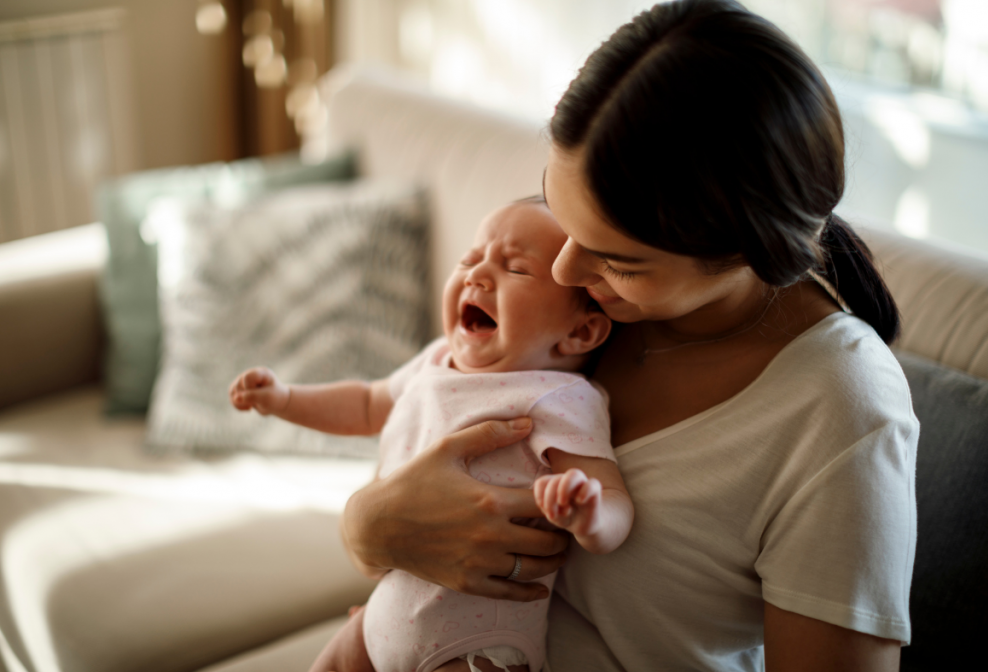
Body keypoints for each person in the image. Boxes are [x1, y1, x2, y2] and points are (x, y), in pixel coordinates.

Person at [337, 1, 919, 671]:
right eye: (562, 217)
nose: (563, 270)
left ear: (746, 251)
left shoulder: (841, 414)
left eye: (618, 260)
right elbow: (418, 431)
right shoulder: (577, 306)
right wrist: (368, 528)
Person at [229, 198, 634, 672]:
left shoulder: (558, 396)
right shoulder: (437, 360)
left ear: (581, 333)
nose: (476, 275)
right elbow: (365, 403)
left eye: (515, 268)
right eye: (469, 259)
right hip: (382, 615)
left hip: (474, 644)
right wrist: (285, 399)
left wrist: (589, 513)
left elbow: (615, 500)